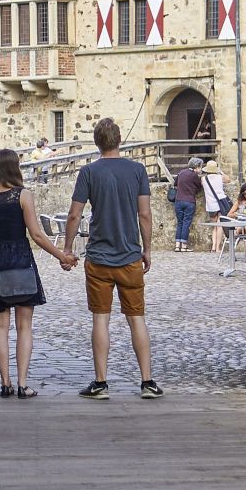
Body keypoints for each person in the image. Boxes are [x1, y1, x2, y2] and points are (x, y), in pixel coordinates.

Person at [60, 117, 162, 400]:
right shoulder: (138, 170)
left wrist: (67, 248)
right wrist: (147, 248)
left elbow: (74, 214)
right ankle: (147, 381)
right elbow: (144, 214)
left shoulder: (89, 173)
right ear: (120, 141)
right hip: (130, 256)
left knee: (100, 320)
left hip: (99, 258)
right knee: (137, 319)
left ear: (97, 143)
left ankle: (101, 383)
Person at [0, 148, 77, 399]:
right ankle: (22, 383)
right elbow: (37, 234)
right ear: (15, 167)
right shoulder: (23, 195)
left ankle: (5, 383)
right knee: (24, 326)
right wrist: (61, 256)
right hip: (20, 259)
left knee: (0, 327)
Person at [170, 155, 203, 251]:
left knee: (179, 223)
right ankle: (184, 246)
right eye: (200, 167)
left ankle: (177, 246)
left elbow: (175, 184)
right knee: (186, 223)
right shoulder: (194, 176)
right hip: (189, 201)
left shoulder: (181, 172)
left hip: (178, 200)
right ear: (196, 167)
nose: (200, 169)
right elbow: (199, 187)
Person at [200, 161, 229, 252]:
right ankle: (218, 248)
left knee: (214, 226)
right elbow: (228, 179)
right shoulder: (220, 177)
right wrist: (221, 171)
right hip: (220, 204)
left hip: (210, 206)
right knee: (220, 226)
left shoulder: (204, 179)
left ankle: (213, 247)